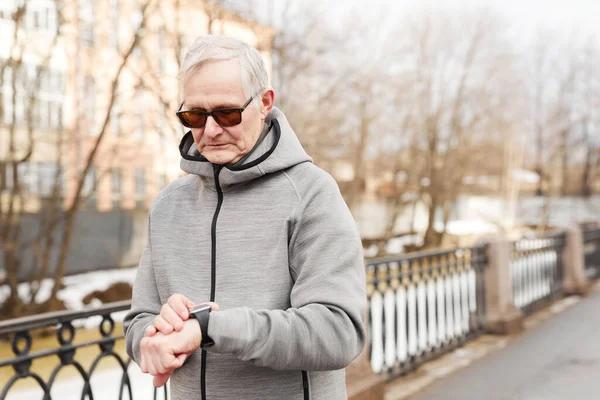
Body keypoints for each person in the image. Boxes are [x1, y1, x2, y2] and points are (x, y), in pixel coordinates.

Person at [124, 35, 366, 400]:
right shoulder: (168, 205)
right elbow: (138, 322)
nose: (211, 130)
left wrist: (210, 328)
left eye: (227, 113)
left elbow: (338, 331)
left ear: (265, 102)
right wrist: (153, 340)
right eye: (194, 115)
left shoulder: (312, 193)